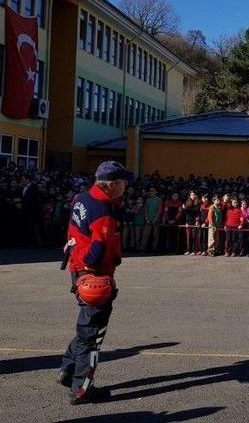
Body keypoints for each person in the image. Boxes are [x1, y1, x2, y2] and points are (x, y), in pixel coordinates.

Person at [59, 160, 133, 405]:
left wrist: (76, 256)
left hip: (77, 268)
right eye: (122, 182)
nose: (125, 186)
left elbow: (73, 230)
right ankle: (82, 390)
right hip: (94, 276)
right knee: (92, 334)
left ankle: (68, 369)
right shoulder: (103, 212)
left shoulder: (81, 198)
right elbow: (98, 248)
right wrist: (91, 267)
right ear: (111, 184)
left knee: (86, 327)